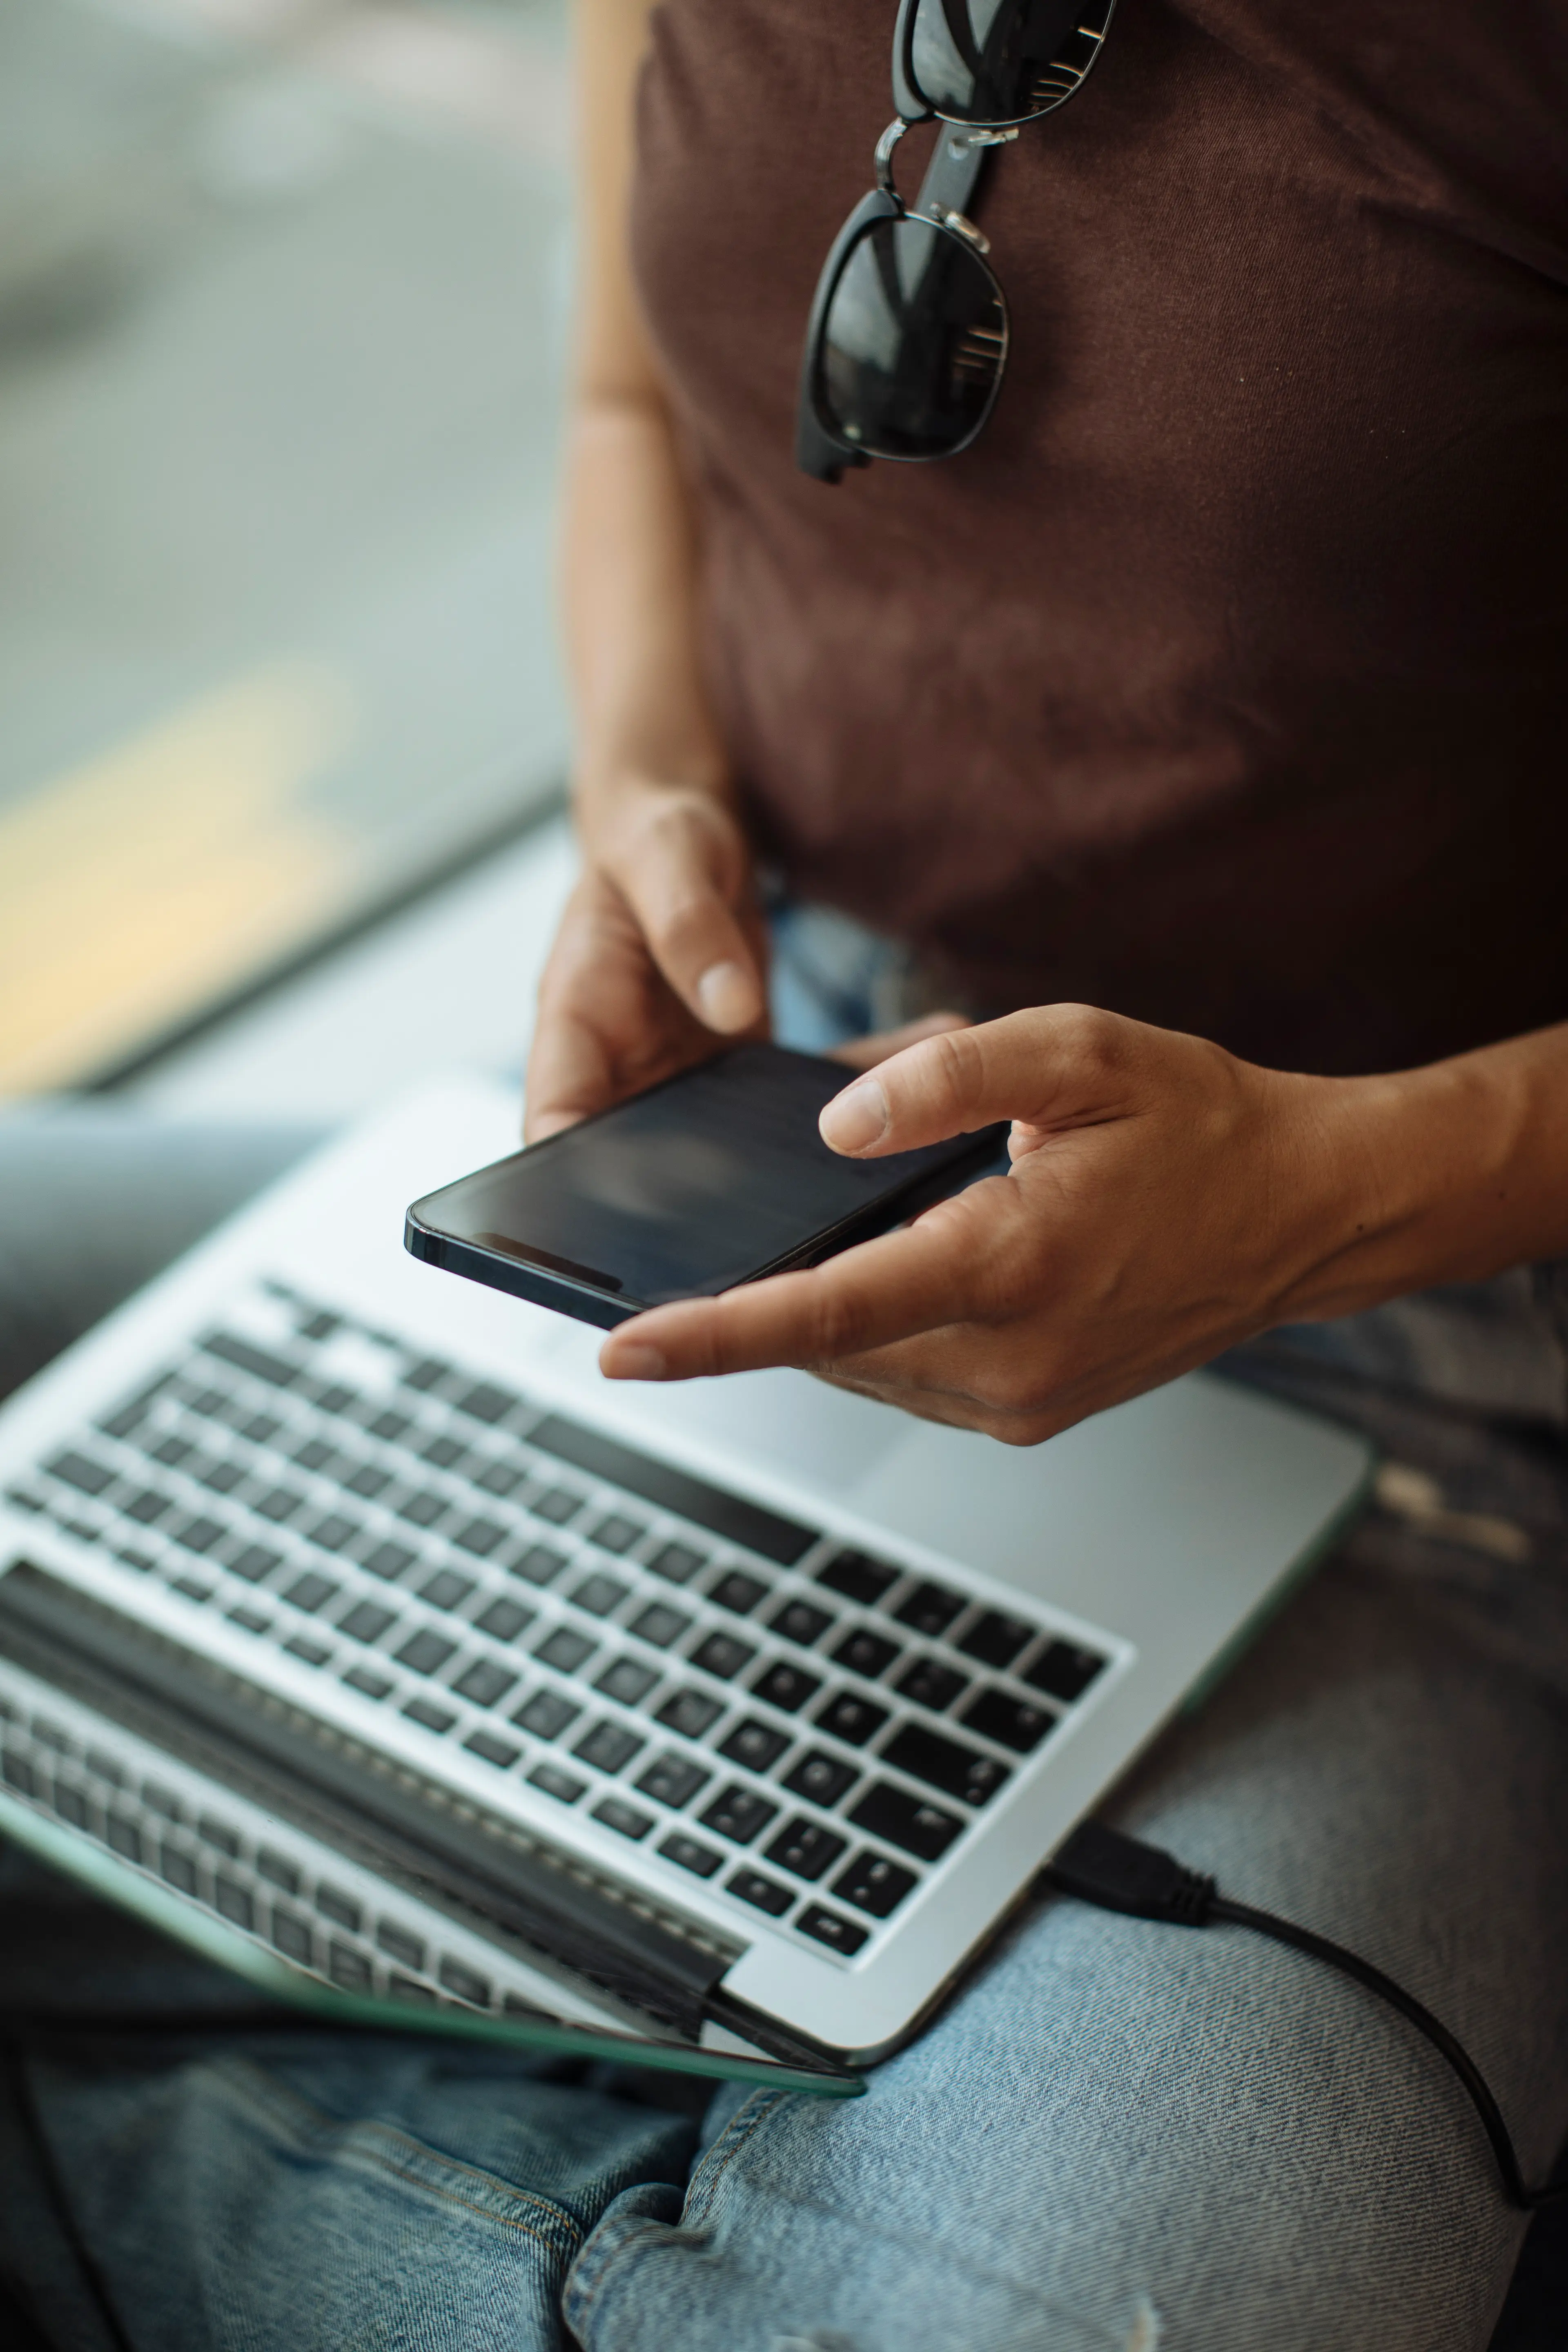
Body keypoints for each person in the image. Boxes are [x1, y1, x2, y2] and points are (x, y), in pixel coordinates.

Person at [2, 3, 1566, 2346]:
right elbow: (637, 388)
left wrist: (1331, 1191)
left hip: (1403, 1346)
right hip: (752, 1130)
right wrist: (650, 804)